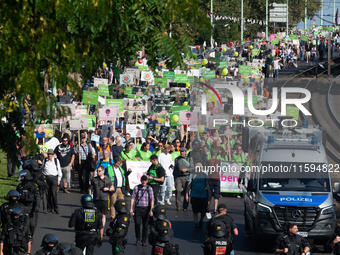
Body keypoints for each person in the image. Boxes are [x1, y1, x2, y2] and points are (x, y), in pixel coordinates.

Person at [130, 175, 155, 246]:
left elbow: (152, 200)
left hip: (146, 209)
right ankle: (138, 238)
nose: (144, 181)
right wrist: (131, 208)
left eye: (145, 180)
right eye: (143, 180)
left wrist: (151, 210)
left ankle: (144, 240)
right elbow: (132, 198)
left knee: (145, 225)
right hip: (138, 208)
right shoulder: (136, 188)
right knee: (137, 224)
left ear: (147, 181)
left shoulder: (149, 188)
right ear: (141, 180)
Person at [185, 163, 211, 230]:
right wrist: (186, 194)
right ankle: (196, 224)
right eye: (197, 168)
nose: (198, 169)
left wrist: (209, 193)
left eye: (200, 168)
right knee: (195, 211)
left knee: (203, 211)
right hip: (194, 196)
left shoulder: (204, 175)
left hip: (203, 196)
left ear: (201, 169)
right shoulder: (192, 175)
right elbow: (189, 185)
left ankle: (201, 219)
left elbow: (207, 185)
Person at [89, 165, 114, 235]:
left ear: (103, 171)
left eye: (99, 171)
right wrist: (90, 195)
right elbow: (91, 188)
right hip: (96, 199)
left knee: (103, 215)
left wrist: (108, 189)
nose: (98, 172)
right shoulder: (94, 179)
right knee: (95, 214)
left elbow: (113, 188)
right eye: (97, 171)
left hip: (104, 199)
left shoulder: (107, 179)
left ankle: (101, 229)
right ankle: (95, 228)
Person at [16, 170, 40, 236]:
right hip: (22, 205)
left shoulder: (33, 186)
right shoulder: (20, 186)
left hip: (31, 206)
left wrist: (37, 206)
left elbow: (37, 196)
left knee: (32, 224)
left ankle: (30, 236)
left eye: (22, 177)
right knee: (22, 222)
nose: (21, 178)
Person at [173, 147, 194, 211]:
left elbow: (192, 168)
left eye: (183, 151)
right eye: (180, 151)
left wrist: (186, 169)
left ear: (185, 152)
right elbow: (175, 169)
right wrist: (174, 177)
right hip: (178, 177)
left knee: (186, 192)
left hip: (186, 177)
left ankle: (185, 206)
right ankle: (178, 205)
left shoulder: (189, 159)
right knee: (178, 190)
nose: (181, 153)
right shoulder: (177, 159)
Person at [43, 149, 62, 214]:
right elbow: (43, 169)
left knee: (54, 194)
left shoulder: (56, 161)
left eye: (51, 154)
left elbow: (59, 169)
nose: (49, 155)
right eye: (48, 154)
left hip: (54, 178)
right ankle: (49, 208)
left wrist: (59, 179)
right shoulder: (45, 161)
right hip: (47, 178)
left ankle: (56, 208)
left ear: (53, 155)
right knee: (48, 194)